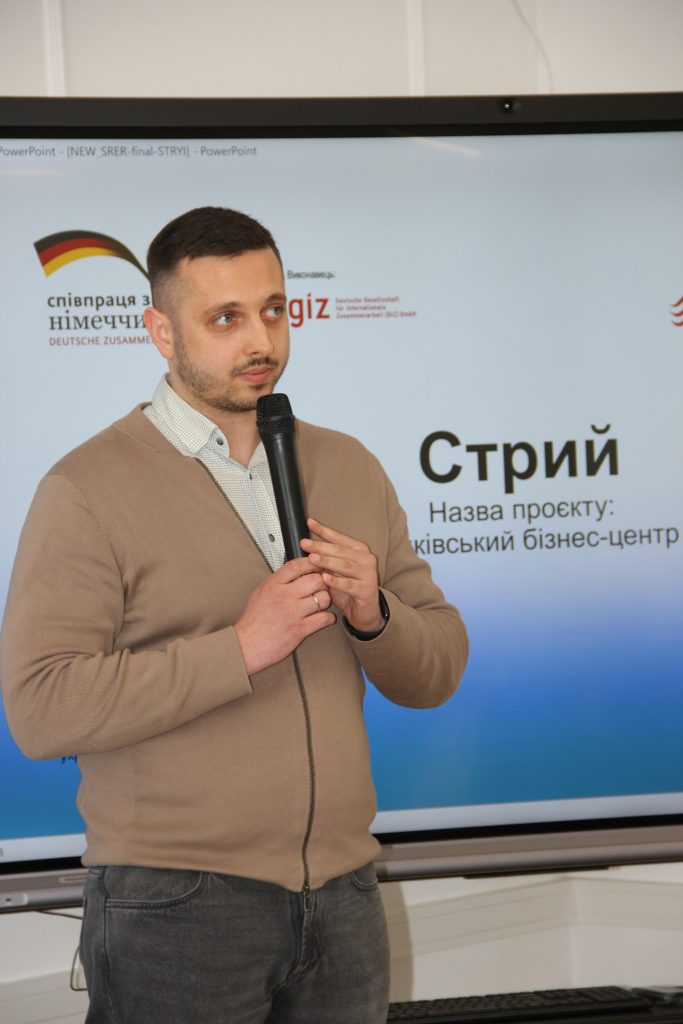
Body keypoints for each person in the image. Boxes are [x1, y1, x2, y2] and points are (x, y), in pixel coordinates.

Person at [0, 207, 468, 1024]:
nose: (261, 341)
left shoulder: (348, 464)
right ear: (161, 331)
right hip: (176, 904)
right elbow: (41, 709)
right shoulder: (86, 488)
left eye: (274, 310)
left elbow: (437, 672)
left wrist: (374, 614)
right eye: (225, 318)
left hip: (344, 894)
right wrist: (240, 649)